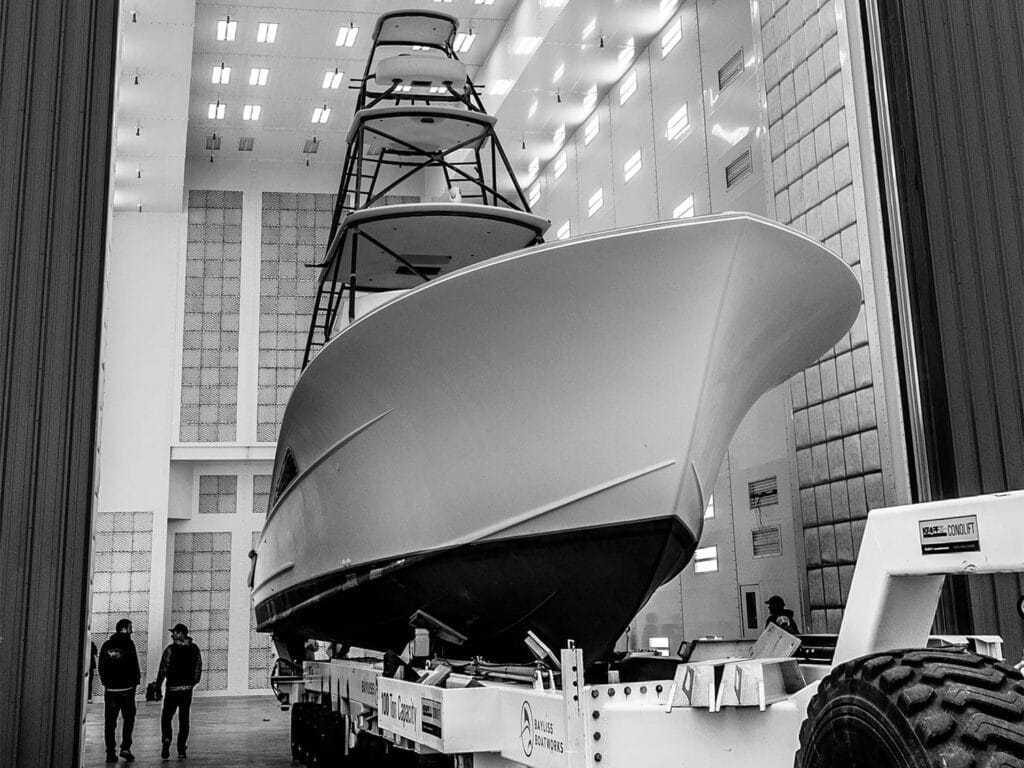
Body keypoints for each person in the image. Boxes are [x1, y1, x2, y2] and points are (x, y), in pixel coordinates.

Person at [154, 623, 203, 759]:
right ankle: (181, 748)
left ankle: (166, 740)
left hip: (172, 689)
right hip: (187, 690)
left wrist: (158, 687)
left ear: (181, 633)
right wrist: (192, 683)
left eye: (175, 632)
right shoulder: (194, 649)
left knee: (166, 717)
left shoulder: (171, 649)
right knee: (184, 719)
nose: (172, 635)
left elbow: (163, 669)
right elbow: (198, 668)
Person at [98, 619, 140, 763]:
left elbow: (101, 666)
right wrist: (135, 683)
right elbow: (135, 665)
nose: (131, 631)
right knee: (128, 719)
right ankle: (125, 747)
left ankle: (110, 753)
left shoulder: (106, 645)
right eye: (130, 628)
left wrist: (106, 683)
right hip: (127, 690)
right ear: (123, 629)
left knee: (110, 723)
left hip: (111, 691)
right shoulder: (129, 644)